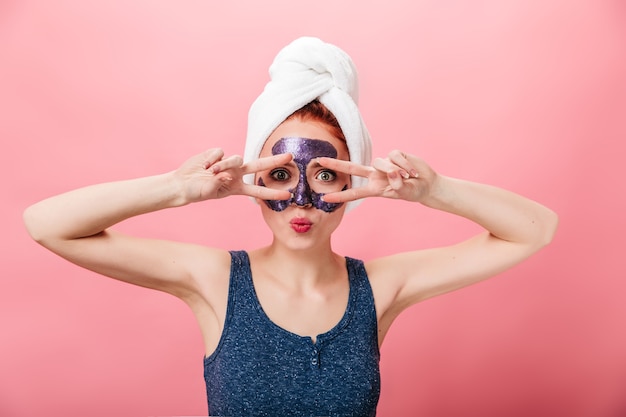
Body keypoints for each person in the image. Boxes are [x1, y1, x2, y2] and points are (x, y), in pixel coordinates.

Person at [23, 37, 558, 417]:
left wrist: (434, 191)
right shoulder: (214, 281)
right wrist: (177, 188)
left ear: (358, 179)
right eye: (279, 175)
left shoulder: (381, 288)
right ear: (253, 176)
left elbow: (534, 229)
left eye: (326, 174)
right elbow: (47, 225)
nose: (301, 198)